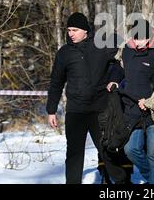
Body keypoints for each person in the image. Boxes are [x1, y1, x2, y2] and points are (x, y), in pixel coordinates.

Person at [46, 12, 119, 184]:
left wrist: (115, 78)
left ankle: (119, 183)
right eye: (69, 30)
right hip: (75, 111)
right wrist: (51, 110)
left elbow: (119, 61)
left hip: (99, 110)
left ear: (85, 31)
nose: (71, 33)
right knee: (74, 154)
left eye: (75, 30)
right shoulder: (64, 53)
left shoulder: (101, 46)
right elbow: (56, 82)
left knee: (107, 150)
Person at [107, 19, 154, 184]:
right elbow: (120, 69)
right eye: (136, 38)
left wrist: (151, 101)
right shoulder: (127, 50)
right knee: (131, 149)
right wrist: (115, 80)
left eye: (143, 39)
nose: (139, 43)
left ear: (150, 37)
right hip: (132, 109)